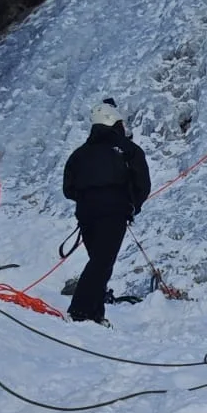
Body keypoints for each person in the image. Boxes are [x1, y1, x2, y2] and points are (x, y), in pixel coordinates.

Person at [61, 99, 151, 325]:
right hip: (114, 211)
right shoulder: (128, 150)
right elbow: (142, 183)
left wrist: (87, 198)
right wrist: (133, 205)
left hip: (85, 213)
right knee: (102, 262)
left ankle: (95, 311)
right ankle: (80, 309)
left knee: (99, 261)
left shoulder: (79, 154)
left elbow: (68, 188)